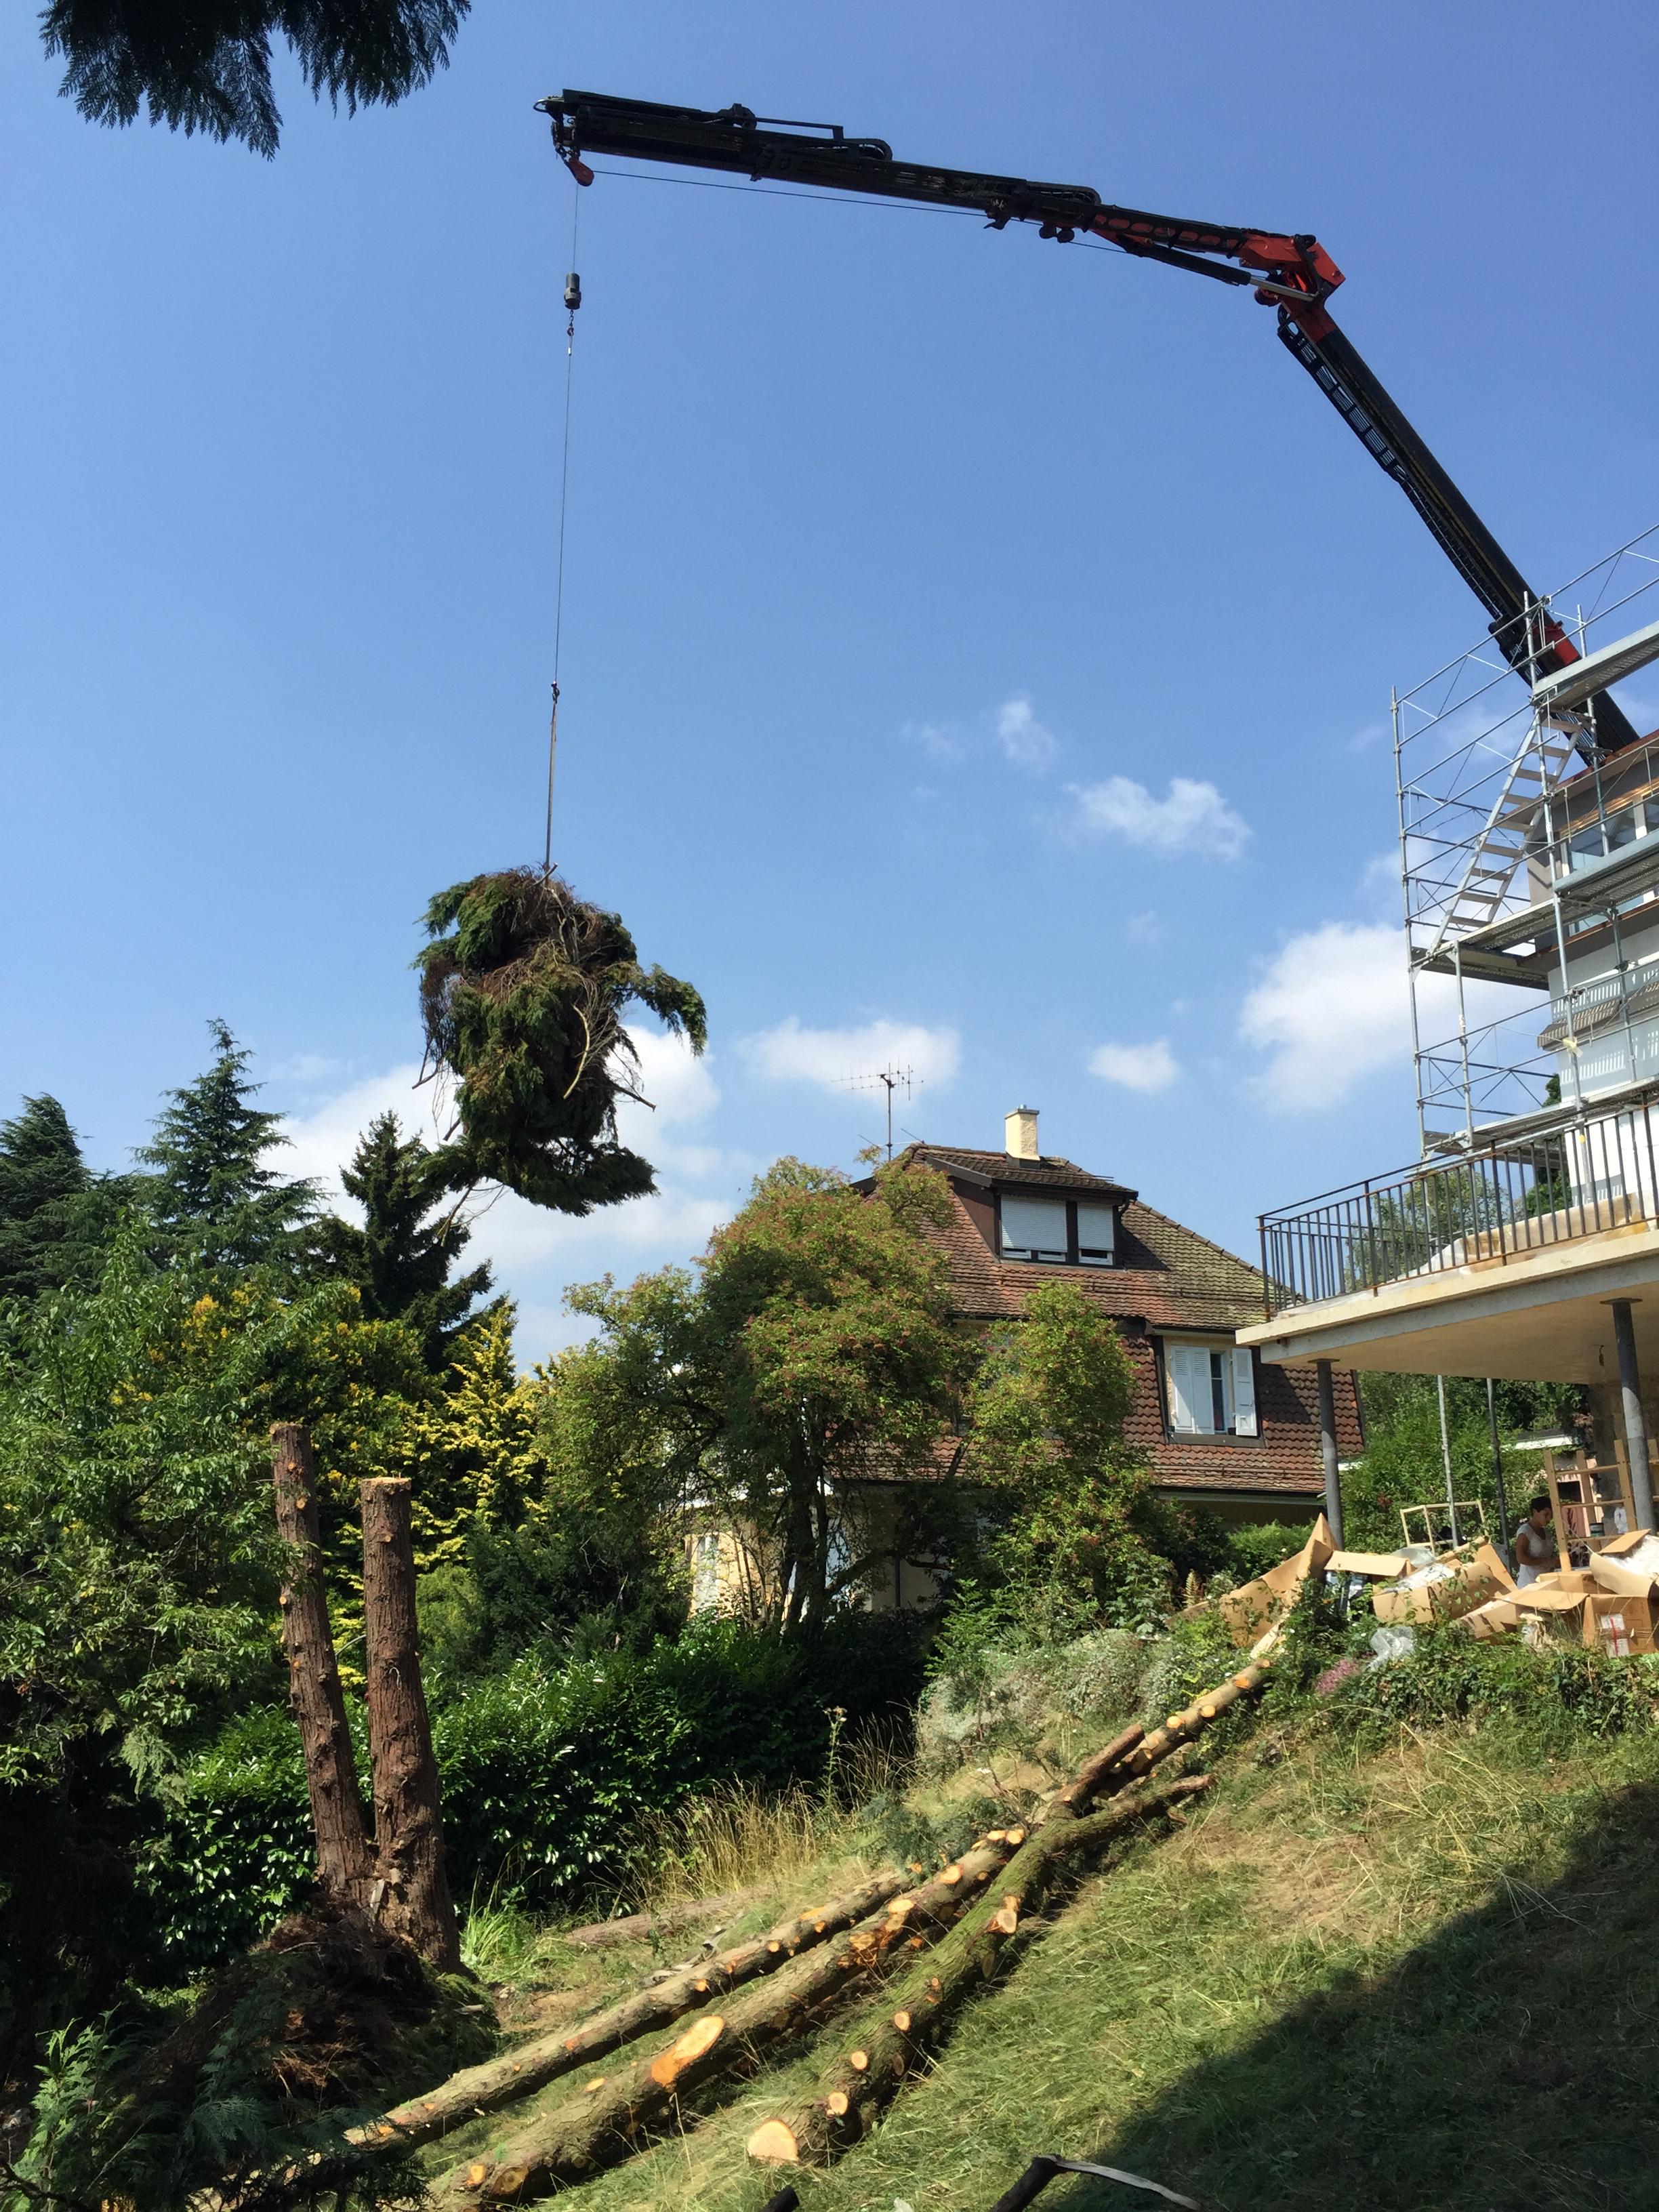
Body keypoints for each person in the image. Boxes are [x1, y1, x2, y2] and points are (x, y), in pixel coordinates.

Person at [1513, 1496, 1559, 1586]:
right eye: (1546, 1515)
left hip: (1546, 1582)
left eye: (1551, 1516)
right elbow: (1521, 1558)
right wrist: (1547, 1561)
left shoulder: (1547, 1533)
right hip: (1529, 1583)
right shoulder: (1525, 1531)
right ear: (1535, 1512)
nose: (1549, 1519)